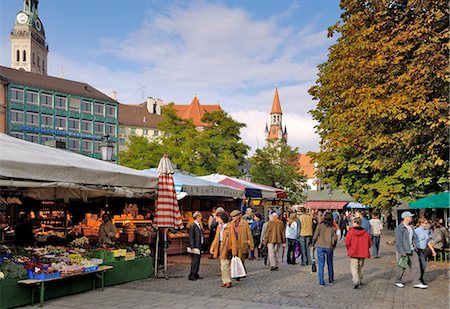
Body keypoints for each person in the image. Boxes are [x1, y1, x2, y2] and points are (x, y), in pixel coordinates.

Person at [395, 211, 426, 289]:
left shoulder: (411, 227)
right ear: (405, 217)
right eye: (410, 217)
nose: (411, 218)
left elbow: (414, 238)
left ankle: (416, 282)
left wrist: (416, 247)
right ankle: (398, 280)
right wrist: (402, 251)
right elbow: (399, 241)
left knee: (416, 265)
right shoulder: (399, 228)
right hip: (404, 250)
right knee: (402, 266)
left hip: (412, 249)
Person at [210, 212, 237, 288]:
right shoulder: (219, 227)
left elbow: (233, 239)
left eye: (217, 217)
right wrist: (212, 247)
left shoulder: (229, 226)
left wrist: (234, 250)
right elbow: (216, 238)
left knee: (225, 264)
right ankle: (225, 281)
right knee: (223, 265)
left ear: (221, 218)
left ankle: (227, 281)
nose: (216, 219)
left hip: (227, 246)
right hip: (220, 246)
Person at [345, 217, 372, 289]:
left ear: (354, 223)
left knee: (354, 267)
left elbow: (347, 242)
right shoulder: (365, 232)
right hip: (362, 252)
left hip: (353, 252)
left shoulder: (350, 232)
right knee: (361, 266)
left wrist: (349, 249)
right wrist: (366, 248)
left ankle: (356, 280)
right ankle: (360, 279)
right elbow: (369, 243)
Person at [312, 212, 337, 287]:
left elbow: (315, 236)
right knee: (330, 264)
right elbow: (335, 238)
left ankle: (321, 282)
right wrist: (334, 245)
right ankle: (331, 279)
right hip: (329, 246)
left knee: (321, 265)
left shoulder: (320, 225)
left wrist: (313, 244)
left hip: (320, 246)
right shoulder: (332, 227)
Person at [414, 218, 436, 285]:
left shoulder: (427, 230)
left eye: (427, 223)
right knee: (422, 264)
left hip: (424, 249)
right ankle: (419, 279)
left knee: (423, 265)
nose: (427, 224)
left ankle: (420, 278)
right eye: (425, 223)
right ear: (421, 223)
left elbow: (428, 241)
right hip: (418, 249)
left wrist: (433, 250)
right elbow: (412, 239)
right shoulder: (416, 230)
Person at [188, 211, 204, 281]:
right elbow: (191, 237)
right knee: (195, 260)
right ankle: (192, 275)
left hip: (198, 245)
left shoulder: (198, 225)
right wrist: (192, 247)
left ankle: (196, 273)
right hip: (195, 246)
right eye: (200, 216)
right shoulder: (193, 225)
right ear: (198, 217)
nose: (201, 218)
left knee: (198, 260)